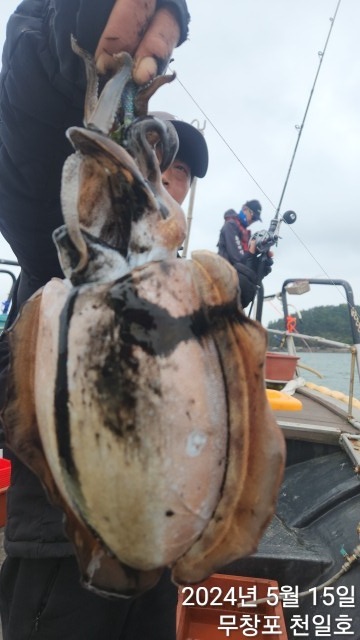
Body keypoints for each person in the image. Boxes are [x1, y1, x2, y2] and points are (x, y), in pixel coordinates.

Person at [0, 2, 209, 639]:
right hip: (68, 544)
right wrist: (65, 47)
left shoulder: (179, 276)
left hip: (157, 542)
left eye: (182, 176)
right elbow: (35, 175)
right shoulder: (64, 251)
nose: (171, 182)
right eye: (163, 164)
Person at [217, 200, 273, 309]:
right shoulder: (230, 226)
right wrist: (251, 259)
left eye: (256, 219)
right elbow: (237, 257)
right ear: (245, 209)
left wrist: (258, 265)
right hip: (224, 283)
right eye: (253, 216)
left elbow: (245, 259)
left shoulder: (245, 233)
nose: (253, 221)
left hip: (236, 285)